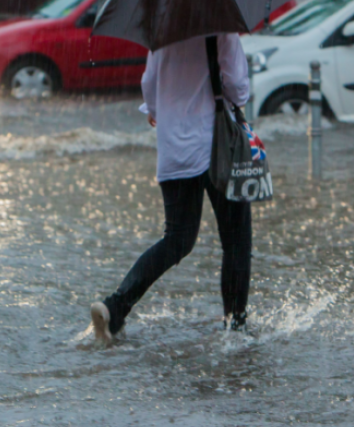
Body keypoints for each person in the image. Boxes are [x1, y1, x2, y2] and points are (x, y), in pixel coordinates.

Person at [91, 33, 252, 342]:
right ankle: (236, 327)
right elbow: (238, 89)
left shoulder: (163, 31)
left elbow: (149, 87)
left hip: (174, 151)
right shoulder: (221, 28)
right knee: (236, 240)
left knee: (177, 239)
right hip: (217, 147)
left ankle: (115, 306)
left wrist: (158, 108)